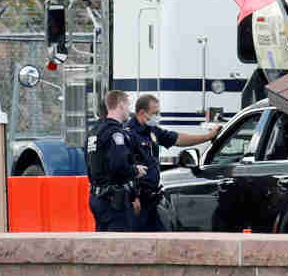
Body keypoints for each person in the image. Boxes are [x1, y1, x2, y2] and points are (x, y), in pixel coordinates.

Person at [126, 93, 221, 231]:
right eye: (155, 113)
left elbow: (178, 139)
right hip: (139, 200)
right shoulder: (129, 134)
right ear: (142, 112)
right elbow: (124, 168)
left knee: (161, 239)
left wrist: (208, 137)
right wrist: (133, 196)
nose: (157, 116)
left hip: (153, 199)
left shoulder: (151, 130)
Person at [85, 90, 146, 231]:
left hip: (97, 196)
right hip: (113, 200)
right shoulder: (115, 133)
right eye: (128, 105)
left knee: (102, 244)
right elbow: (118, 166)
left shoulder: (94, 131)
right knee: (118, 247)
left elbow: (89, 163)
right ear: (120, 105)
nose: (129, 110)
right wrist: (136, 170)